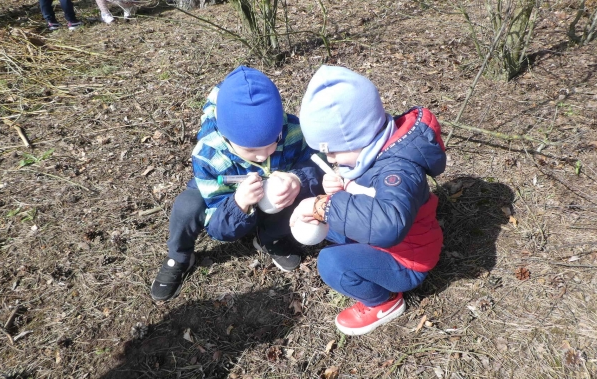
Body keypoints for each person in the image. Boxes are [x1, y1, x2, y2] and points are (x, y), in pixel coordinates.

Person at [291, 65, 447, 335]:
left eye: (333, 153)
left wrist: (323, 205)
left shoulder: (399, 171)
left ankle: (383, 302)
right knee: (335, 228)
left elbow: (389, 225)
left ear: (355, 138)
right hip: (396, 242)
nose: (331, 161)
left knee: (331, 264)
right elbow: (369, 192)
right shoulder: (377, 149)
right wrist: (342, 188)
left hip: (408, 260)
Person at [150, 66, 324, 302]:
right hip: (225, 194)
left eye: (273, 142)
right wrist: (239, 203)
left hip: (272, 192)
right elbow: (217, 229)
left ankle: (269, 238)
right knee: (188, 205)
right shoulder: (209, 155)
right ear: (227, 137)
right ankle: (179, 256)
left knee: (298, 194)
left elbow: (317, 162)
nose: (263, 156)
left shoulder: (291, 130)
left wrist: (297, 178)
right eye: (251, 150)